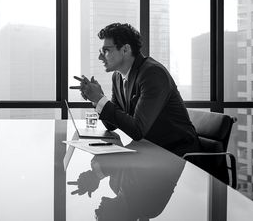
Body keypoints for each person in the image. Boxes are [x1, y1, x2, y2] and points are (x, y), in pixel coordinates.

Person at [71, 23, 199, 156]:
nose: (100, 57)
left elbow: (138, 130)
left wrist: (99, 99)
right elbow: (111, 125)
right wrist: (96, 100)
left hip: (175, 153)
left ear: (125, 49)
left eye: (106, 51)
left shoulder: (152, 73)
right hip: (147, 149)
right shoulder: (118, 76)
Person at [68, 141, 185, 220]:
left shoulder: (114, 185)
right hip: (170, 141)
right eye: (100, 219)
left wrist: (95, 174)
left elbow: (115, 143)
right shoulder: (147, 206)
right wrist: (97, 173)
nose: (96, 212)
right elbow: (138, 154)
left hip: (149, 135)